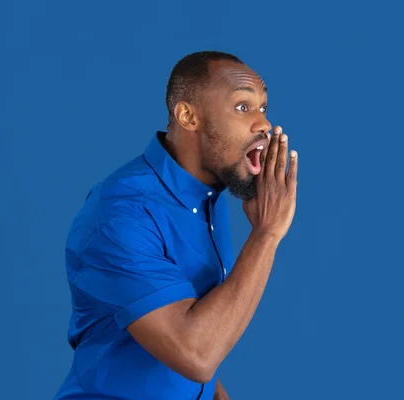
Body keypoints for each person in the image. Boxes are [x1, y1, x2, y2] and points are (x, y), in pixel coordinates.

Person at [54, 50, 299, 400]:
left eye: (263, 108)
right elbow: (196, 355)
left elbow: (201, 355)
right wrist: (267, 233)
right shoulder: (121, 215)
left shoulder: (208, 199)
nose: (263, 124)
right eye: (242, 107)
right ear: (188, 116)